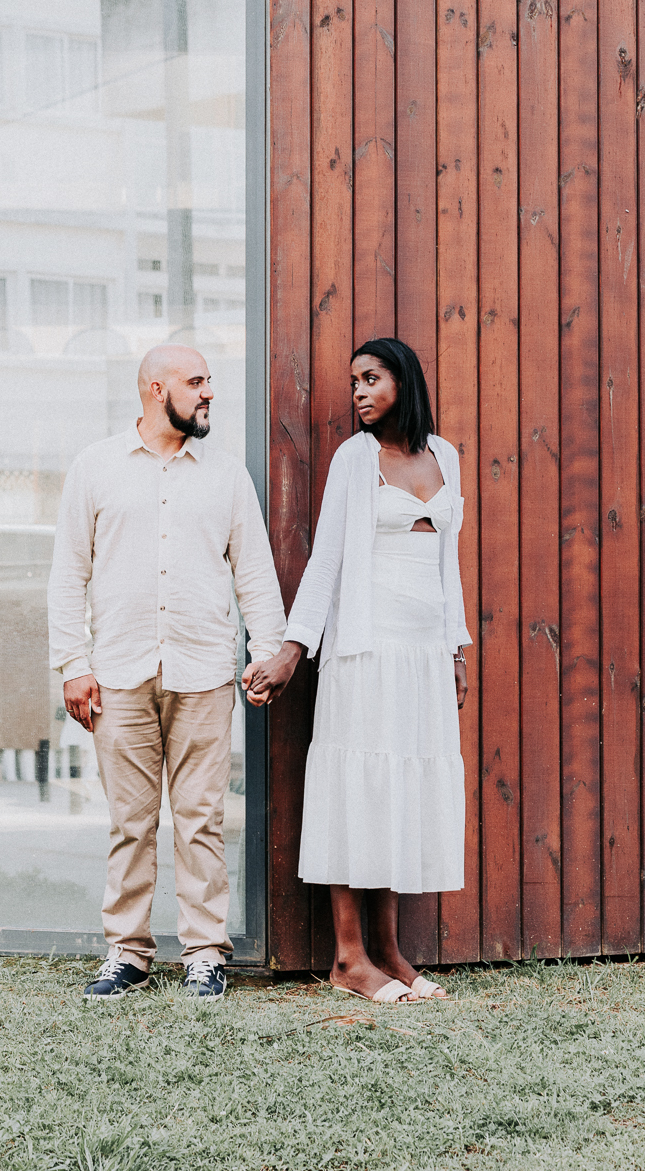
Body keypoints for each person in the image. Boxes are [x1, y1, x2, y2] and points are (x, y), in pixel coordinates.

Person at [48, 344, 299, 1000]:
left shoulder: (226, 476)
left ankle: (204, 954)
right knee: (130, 824)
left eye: (210, 381)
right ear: (155, 389)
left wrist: (268, 652)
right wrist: (74, 663)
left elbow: (253, 573)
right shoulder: (96, 468)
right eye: (196, 382)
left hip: (205, 671)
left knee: (200, 821)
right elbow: (67, 575)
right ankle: (127, 954)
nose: (208, 392)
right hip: (119, 673)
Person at [247, 337, 468, 1004]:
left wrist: (455, 647)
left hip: (423, 652)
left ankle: (392, 952)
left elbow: (447, 563)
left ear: (404, 380)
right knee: (359, 787)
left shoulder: (445, 456)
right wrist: (293, 647)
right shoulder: (355, 459)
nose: (360, 393)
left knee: (401, 790)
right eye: (353, 384)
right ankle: (349, 956)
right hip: (363, 650)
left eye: (372, 379)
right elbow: (328, 560)